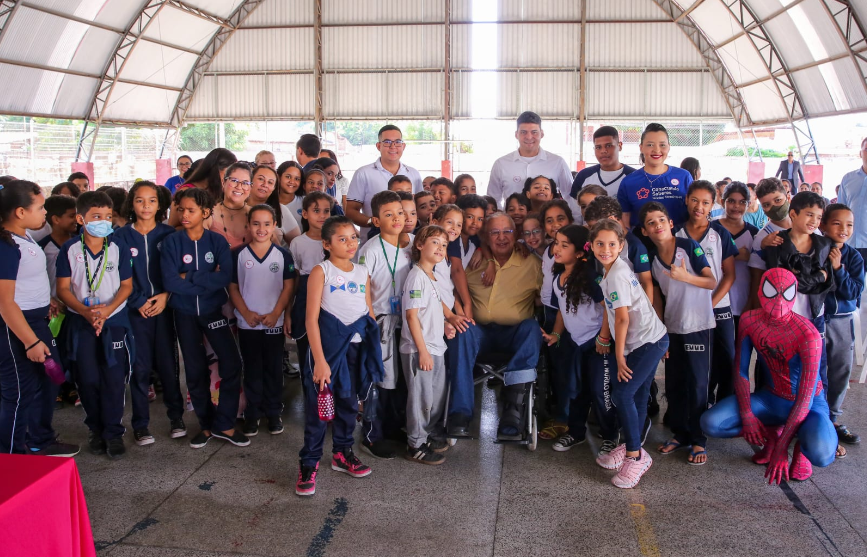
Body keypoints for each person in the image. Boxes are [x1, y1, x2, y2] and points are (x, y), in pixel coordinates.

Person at [701, 268, 836, 483]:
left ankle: (800, 447)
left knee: (822, 454)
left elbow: (805, 395)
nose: (779, 300)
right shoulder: (749, 320)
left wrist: (783, 450)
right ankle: (772, 433)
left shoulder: (808, 334)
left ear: (795, 294)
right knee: (711, 423)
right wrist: (747, 416)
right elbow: (741, 371)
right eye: (772, 291)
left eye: (786, 293)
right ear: (760, 290)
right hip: (770, 399)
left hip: (810, 406)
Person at [296, 216, 383, 497]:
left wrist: (373, 352)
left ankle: (342, 453)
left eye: (353, 238)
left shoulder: (362, 272)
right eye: (342, 239)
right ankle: (309, 463)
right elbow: (311, 321)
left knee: (348, 404)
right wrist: (320, 361)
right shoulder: (322, 272)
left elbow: (368, 312)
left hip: (356, 350)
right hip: (329, 352)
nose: (350, 244)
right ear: (327, 243)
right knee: (319, 409)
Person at [161, 188, 248, 449]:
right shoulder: (172, 242)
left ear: (206, 212)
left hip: (213, 312)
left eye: (191, 210)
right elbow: (170, 281)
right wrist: (203, 280)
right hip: (184, 313)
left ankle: (226, 423)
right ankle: (206, 425)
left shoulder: (217, 242)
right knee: (196, 369)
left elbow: (224, 278)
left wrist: (191, 277)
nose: (184, 215)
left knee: (231, 363)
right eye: (181, 210)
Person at [445, 212, 543, 441]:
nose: (501, 237)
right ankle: (460, 412)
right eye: (495, 232)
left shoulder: (532, 264)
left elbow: (546, 298)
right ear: (486, 238)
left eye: (507, 231)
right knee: (461, 331)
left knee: (532, 328)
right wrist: (458, 310)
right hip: (479, 333)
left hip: (514, 335)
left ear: (516, 234)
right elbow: (449, 288)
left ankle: (513, 410)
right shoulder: (473, 261)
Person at [0, 181, 78, 457]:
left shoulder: (21, 236)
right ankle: (11, 456)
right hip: (17, 329)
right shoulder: (6, 246)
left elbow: (25, 283)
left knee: (49, 378)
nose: (44, 212)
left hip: (36, 320)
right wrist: (31, 342)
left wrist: (46, 301)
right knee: (19, 393)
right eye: (41, 207)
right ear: (20, 212)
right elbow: (4, 302)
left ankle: (39, 439)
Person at [591, 219, 669, 488]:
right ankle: (629, 446)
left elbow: (622, 319)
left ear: (621, 245)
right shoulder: (612, 270)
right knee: (633, 395)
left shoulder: (616, 275)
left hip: (648, 342)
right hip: (646, 341)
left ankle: (636, 456)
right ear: (591, 246)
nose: (605, 248)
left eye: (612, 244)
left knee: (622, 393)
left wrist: (620, 355)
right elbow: (614, 314)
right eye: (600, 243)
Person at [56, 191, 134, 460]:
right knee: (87, 379)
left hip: (114, 320)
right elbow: (63, 289)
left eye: (108, 217)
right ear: (81, 219)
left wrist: (108, 310)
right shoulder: (69, 250)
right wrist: (85, 311)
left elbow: (126, 286)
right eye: (96, 217)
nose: (103, 221)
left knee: (114, 378)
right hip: (82, 321)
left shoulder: (117, 248)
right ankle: (95, 429)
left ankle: (113, 432)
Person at [641, 201, 717, 466]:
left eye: (661, 219)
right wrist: (661, 331)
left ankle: (699, 439)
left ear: (670, 223)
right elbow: (659, 300)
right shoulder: (652, 261)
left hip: (698, 327)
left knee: (697, 385)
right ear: (645, 231)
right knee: (674, 385)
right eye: (651, 222)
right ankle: (681, 434)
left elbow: (711, 281)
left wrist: (686, 277)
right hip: (672, 329)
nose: (657, 225)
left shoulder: (688, 247)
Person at [114, 181, 185, 445]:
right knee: (139, 368)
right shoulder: (120, 237)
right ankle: (140, 424)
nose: (146, 206)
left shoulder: (170, 235)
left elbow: (179, 272)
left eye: (152, 200)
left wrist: (166, 296)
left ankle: (176, 417)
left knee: (169, 366)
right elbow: (118, 277)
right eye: (140, 200)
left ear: (160, 204)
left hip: (164, 310)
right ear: (131, 203)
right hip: (136, 313)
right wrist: (137, 301)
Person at [541, 224, 617, 454]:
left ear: (581, 252)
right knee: (578, 389)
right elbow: (563, 311)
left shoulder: (589, 277)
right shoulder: (557, 277)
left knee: (600, 391)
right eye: (556, 243)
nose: (557, 248)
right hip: (578, 343)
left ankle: (611, 436)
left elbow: (608, 308)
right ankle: (575, 433)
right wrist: (556, 334)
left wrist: (603, 338)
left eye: (565, 245)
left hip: (598, 343)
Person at [752, 191, 833, 407]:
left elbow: (827, 283)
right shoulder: (776, 244)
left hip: (814, 315)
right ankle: (772, 414)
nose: (814, 221)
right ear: (794, 213)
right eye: (809, 215)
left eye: (818, 217)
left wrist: (810, 278)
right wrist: (817, 276)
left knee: (816, 368)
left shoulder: (824, 245)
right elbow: (783, 283)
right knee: (774, 365)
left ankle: (820, 417)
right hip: (783, 318)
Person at [356, 190, 413, 460]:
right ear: (376, 221)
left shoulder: (412, 245)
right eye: (388, 215)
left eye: (400, 212)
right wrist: (368, 322)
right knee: (378, 379)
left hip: (407, 320)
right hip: (379, 321)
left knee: (400, 380)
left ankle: (392, 427)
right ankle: (371, 434)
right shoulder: (370, 250)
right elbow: (363, 289)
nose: (396, 218)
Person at [230, 204, 295, 437]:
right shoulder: (238, 255)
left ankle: (274, 411)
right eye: (256, 223)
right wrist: (246, 313)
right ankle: (253, 413)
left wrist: (277, 313)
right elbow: (233, 287)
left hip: (272, 323)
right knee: (252, 368)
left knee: (274, 368)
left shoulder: (283, 255)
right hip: (248, 324)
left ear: (275, 226)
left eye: (267, 224)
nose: (261, 228)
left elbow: (289, 286)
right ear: (248, 225)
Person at [675, 181, 737, 405]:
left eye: (705, 202)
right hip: (687, 310)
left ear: (713, 205)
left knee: (728, 357)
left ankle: (725, 407)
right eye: (694, 200)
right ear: (686, 200)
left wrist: (711, 303)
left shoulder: (720, 234)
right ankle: (695, 404)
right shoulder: (675, 233)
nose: (698, 206)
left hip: (718, 307)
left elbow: (729, 275)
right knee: (693, 362)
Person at [401, 225, 458, 465]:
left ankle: (425, 436)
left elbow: (431, 310)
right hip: (419, 350)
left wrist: (445, 324)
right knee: (420, 399)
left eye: (444, 245)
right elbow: (412, 316)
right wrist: (422, 350)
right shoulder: (416, 276)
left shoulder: (431, 275)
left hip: (435, 347)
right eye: (435, 242)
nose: (441, 248)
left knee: (433, 398)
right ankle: (415, 444)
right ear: (420, 245)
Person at [819, 204, 863, 454]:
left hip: (842, 321)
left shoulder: (854, 257)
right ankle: (811, 418)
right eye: (837, 223)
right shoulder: (814, 250)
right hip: (816, 319)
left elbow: (854, 292)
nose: (843, 229)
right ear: (823, 225)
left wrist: (838, 269)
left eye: (849, 225)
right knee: (814, 370)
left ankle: (832, 419)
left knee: (840, 370)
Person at [346, 125, 422, 244]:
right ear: (378, 146)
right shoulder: (363, 174)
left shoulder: (413, 174)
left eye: (397, 142)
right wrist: (375, 223)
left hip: (408, 245)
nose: (393, 146)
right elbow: (350, 210)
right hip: (374, 243)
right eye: (387, 142)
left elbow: (418, 208)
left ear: (403, 146)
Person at [487, 112, 575, 216]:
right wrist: (504, 220)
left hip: (547, 225)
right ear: (516, 134)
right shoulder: (501, 164)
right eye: (523, 132)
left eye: (534, 132)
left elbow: (571, 197)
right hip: (513, 227)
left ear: (541, 134)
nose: (529, 137)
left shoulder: (557, 163)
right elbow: (494, 199)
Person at [287, 192, 332, 377]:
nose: (322, 215)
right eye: (316, 211)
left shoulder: (334, 240)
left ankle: (328, 400)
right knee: (307, 354)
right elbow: (294, 280)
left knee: (329, 354)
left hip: (330, 302)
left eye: (326, 211)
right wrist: (288, 312)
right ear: (305, 214)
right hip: (304, 302)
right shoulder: (298, 243)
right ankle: (311, 401)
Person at [617, 123, 693, 228]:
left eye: (662, 145)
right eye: (650, 145)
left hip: (679, 241)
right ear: (641, 147)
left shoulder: (684, 177)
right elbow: (625, 219)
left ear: (669, 147)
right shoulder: (629, 182)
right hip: (642, 242)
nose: (657, 150)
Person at [583, 196, 654, 304]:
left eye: (595, 227)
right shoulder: (597, 243)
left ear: (611, 220)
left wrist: (646, 314)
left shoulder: (634, 246)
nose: (592, 231)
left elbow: (646, 282)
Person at [716, 182, 760, 329]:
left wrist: (751, 303)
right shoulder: (711, 229)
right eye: (731, 201)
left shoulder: (754, 234)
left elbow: (757, 275)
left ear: (748, 204)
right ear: (722, 202)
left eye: (742, 202)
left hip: (743, 302)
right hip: (716, 301)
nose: (736, 206)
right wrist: (734, 255)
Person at [168, 148, 237, 227]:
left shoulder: (219, 190)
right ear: (216, 170)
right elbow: (173, 226)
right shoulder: (186, 191)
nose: (230, 178)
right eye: (228, 173)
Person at [570, 127, 636, 207]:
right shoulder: (583, 176)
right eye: (598, 147)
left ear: (620, 146)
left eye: (608, 146)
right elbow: (575, 213)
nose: (603, 151)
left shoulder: (634, 177)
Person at [246, 165, 300, 247]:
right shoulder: (238, 207)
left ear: (274, 188)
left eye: (270, 182)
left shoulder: (281, 210)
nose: (265, 184)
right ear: (250, 180)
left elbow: (298, 245)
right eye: (261, 179)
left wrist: (274, 241)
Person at [208, 162, 253, 249]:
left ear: (250, 187)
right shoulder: (209, 213)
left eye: (245, 183)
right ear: (223, 182)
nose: (239, 187)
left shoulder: (256, 215)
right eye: (234, 181)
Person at [837, 138, 867, 263]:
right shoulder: (848, 179)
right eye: (866, 149)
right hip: (850, 243)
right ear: (860, 153)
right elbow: (840, 210)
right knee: (849, 281)